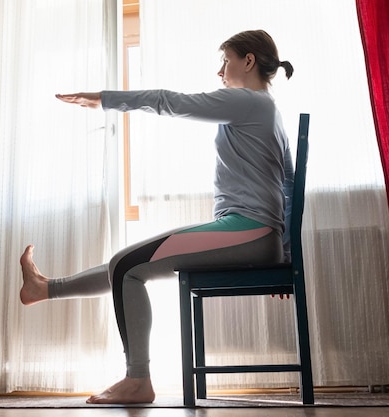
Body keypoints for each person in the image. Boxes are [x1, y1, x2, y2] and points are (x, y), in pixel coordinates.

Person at [20, 29, 294, 404]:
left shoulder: (248, 102)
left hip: (250, 231)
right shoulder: (268, 110)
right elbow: (289, 186)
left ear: (248, 61)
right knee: (127, 265)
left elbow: (168, 101)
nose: (220, 72)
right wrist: (286, 255)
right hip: (255, 235)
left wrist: (104, 99)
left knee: (127, 265)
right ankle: (44, 288)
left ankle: (138, 380)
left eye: (225, 61)